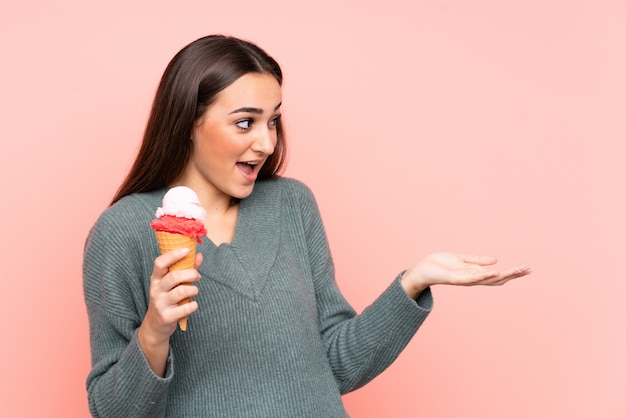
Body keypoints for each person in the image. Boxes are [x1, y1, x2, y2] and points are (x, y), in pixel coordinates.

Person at [83, 34, 531, 417]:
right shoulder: (122, 232)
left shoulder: (293, 204)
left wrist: (414, 282)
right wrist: (154, 333)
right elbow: (112, 408)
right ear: (188, 123)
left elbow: (336, 363)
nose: (266, 142)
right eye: (245, 123)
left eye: (273, 120)